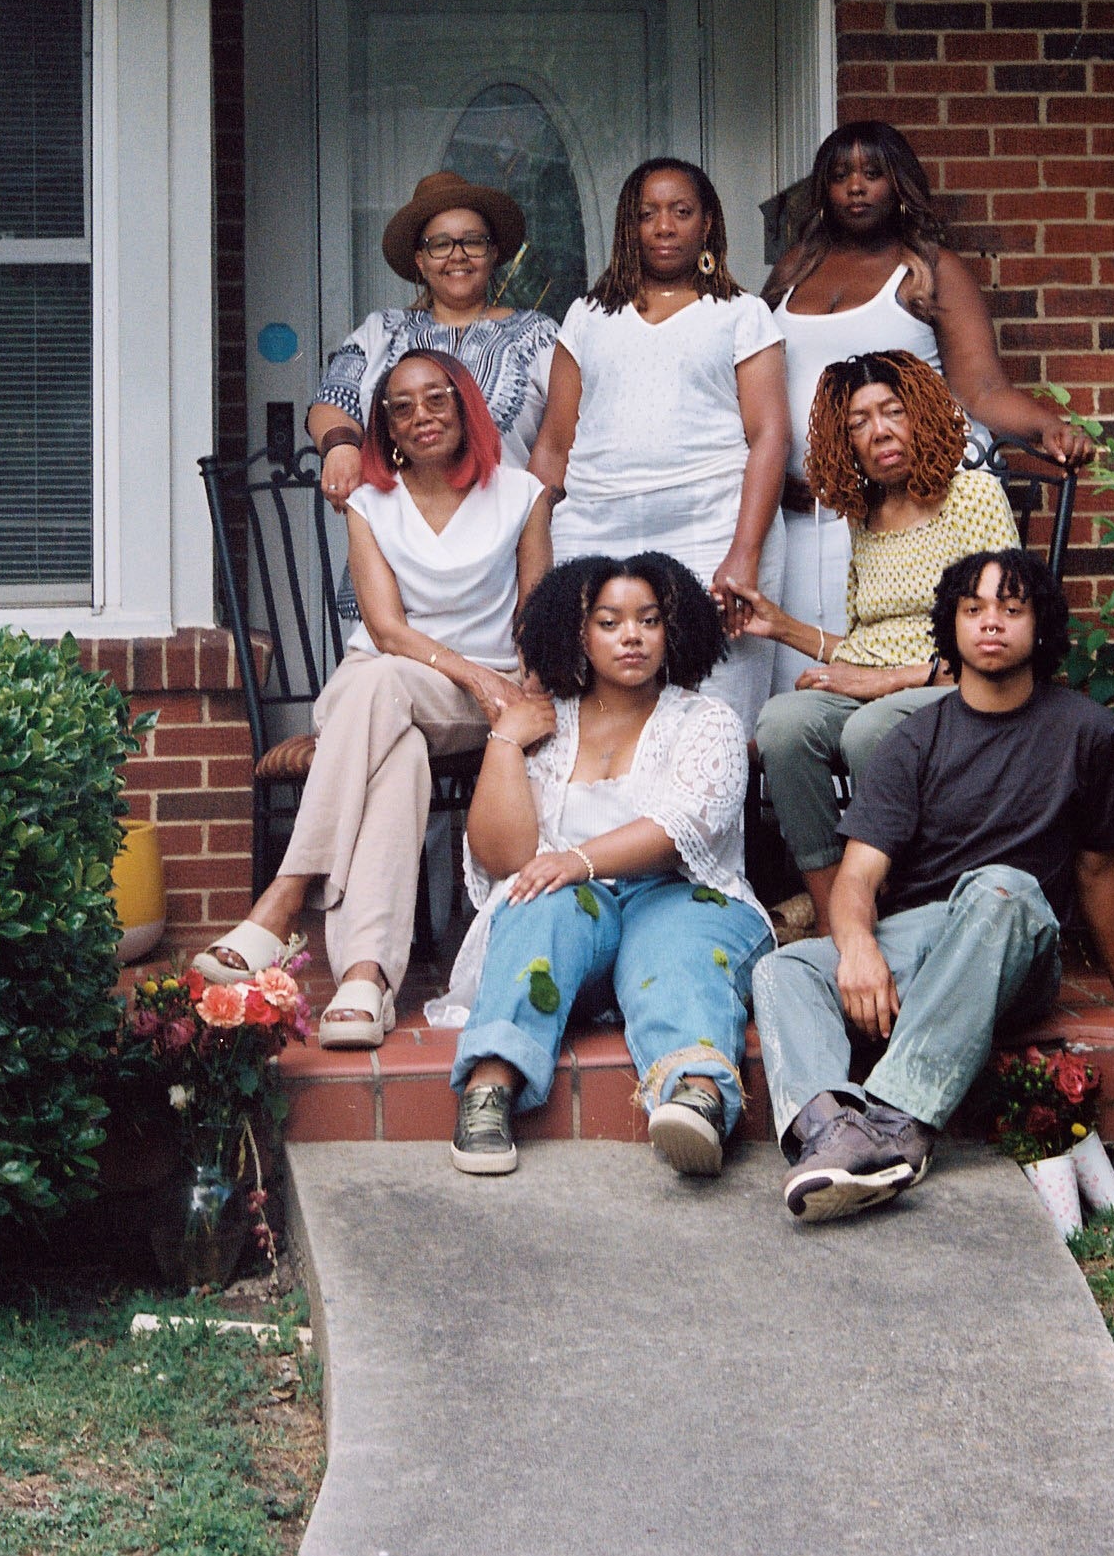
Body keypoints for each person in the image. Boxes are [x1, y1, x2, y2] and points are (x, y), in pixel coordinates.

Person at [751, 548, 1114, 1223]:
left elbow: (1098, 867)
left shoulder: (1085, 730)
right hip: (923, 939)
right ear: (950, 626)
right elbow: (858, 875)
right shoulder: (914, 738)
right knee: (785, 968)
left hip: (1017, 942)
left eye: (1011, 609)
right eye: (973, 608)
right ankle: (831, 1133)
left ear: (1040, 626)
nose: (991, 623)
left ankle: (898, 1121)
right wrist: (859, 947)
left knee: (1001, 887)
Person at [197, 351, 552, 1050]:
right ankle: (366, 978)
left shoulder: (521, 493)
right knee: (397, 748)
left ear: (465, 407)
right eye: (400, 405)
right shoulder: (369, 501)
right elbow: (386, 629)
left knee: (381, 694)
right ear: (382, 425)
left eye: (436, 399)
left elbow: (533, 617)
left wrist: (506, 687)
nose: (420, 415)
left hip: (464, 699)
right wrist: (477, 677)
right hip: (385, 682)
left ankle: (285, 894)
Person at [443, 554, 775, 1180]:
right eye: (610, 621)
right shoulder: (549, 725)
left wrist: (579, 859)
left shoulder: (706, 722)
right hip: (580, 918)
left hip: (683, 896)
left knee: (672, 944)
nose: (632, 636)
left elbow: (685, 827)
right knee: (534, 901)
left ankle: (696, 1098)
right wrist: (507, 742)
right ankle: (489, 1089)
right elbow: (506, 857)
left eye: (649, 621)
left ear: (671, 633)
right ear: (578, 635)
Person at [766, 122, 1096, 689]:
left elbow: (983, 390)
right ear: (822, 189)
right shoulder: (795, 267)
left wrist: (1047, 427)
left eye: (873, 173)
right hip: (803, 513)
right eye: (841, 175)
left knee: (894, 676)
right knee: (806, 686)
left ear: (901, 186)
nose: (856, 187)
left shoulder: (929, 267)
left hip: (898, 512)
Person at [733, 350, 1022, 933]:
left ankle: (904, 900)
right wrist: (781, 625)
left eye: (892, 411)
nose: (879, 431)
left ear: (921, 415)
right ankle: (832, 910)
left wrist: (888, 681)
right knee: (783, 724)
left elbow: (1007, 633)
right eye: (858, 422)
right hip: (882, 687)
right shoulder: (864, 516)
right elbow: (870, 642)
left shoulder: (974, 499)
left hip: (954, 688)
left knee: (872, 730)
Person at [528, 158, 790, 732]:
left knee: (711, 719)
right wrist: (533, 558)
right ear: (628, 226)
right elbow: (553, 444)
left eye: (681, 211)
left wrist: (744, 551)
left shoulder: (742, 315)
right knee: (587, 719)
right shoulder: (588, 317)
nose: (664, 227)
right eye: (648, 214)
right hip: (594, 533)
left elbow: (770, 434)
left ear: (707, 224)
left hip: (712, 529)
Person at [307, 172, 559, 513]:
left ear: (493, 253)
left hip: (509, 539)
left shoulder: (539, 335)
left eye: (472, 242)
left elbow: (567, 436)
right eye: (440, 244)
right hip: (394, 541)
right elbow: (331, 402)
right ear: (420, 261)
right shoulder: (380, 332)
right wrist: (340, 447)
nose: (458, 256)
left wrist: (532, 520)